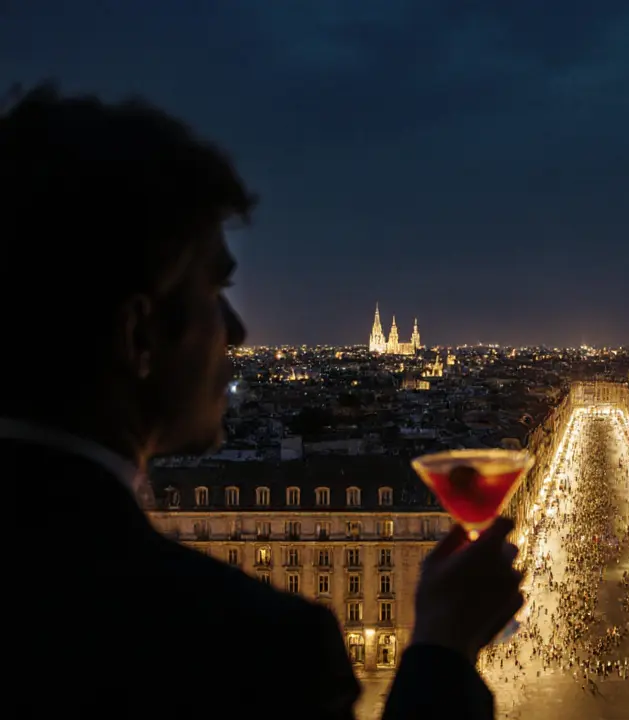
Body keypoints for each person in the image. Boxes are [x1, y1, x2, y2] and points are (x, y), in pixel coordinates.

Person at [0, 84, 521, 720]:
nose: (237, 331)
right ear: (138, 335)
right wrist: (444, 648)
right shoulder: (254, 651)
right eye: (214, 290)